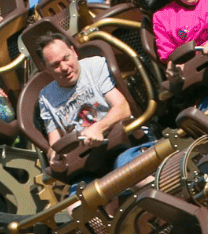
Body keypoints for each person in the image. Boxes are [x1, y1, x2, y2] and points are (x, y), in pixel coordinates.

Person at [36, 30, 149, 174]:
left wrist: (99, 128)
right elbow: (55, 143)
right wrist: (54, 157)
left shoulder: (94, 66)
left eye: (66, 58)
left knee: (128, 174)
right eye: (55, 65)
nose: (64, 67)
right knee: (78, 196)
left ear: (74, 51)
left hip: (123, 142)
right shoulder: (46, 97)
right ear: (46, 69)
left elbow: (122, 108)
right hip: (88, 162)